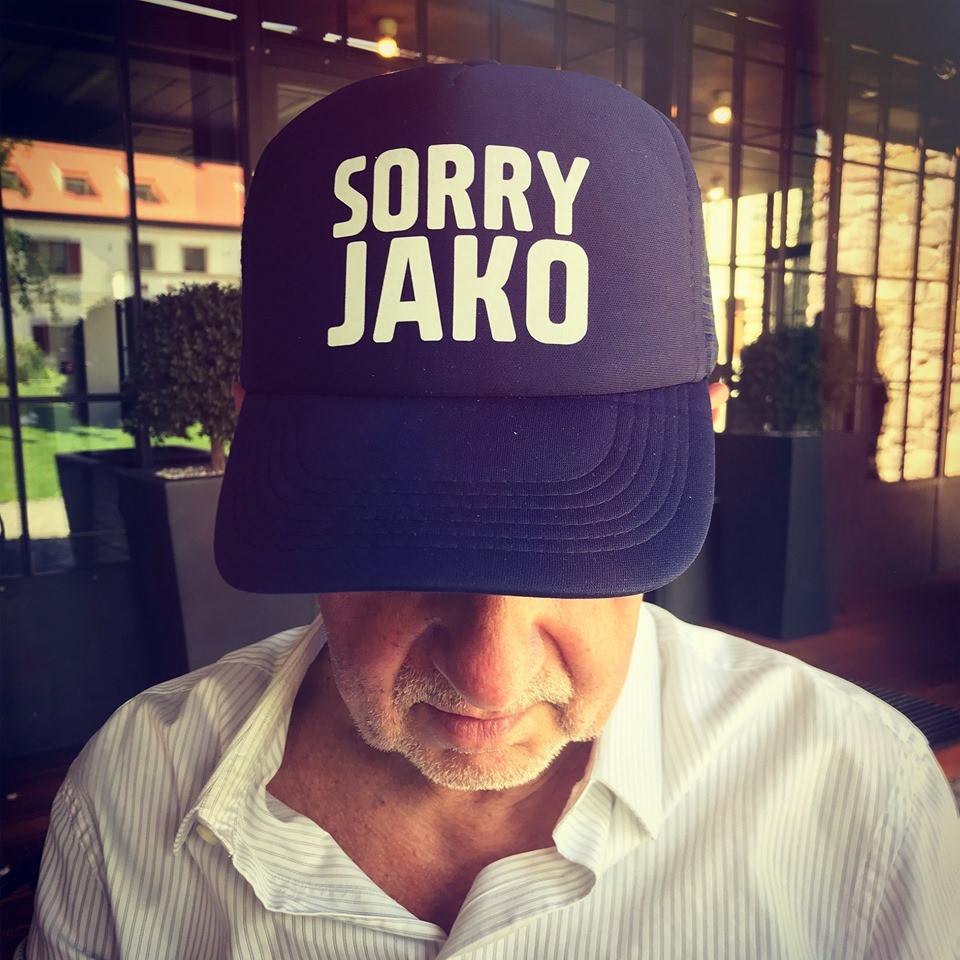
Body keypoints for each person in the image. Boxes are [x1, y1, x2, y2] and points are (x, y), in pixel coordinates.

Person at [20, 62, 959, 959]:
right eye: (403, 539)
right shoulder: (132, 794)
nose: (490, 677)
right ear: (252, 438)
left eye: (578, 540)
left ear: (707, 426)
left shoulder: (861, 800)